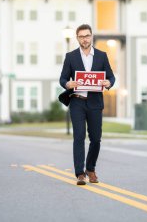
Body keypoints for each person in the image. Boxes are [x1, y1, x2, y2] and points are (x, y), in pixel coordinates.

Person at [59, 24, 115, 185]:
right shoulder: (70, 57)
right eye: (81, 36)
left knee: (96, 139)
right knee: (79, 137)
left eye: (87, 35)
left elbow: (111, 77)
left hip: (95, 103)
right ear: (77, 38)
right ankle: (80, 174)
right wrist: (67, 84)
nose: (85, 39)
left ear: (92, 36)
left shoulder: (101, 56)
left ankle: (90, 168)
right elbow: (62, 79)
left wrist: (108, 83)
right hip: (77, 102)